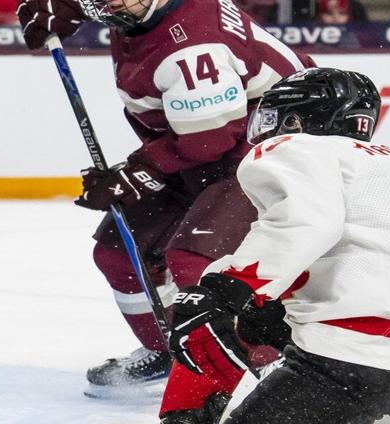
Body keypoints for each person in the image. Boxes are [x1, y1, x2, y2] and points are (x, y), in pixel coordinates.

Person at [89, 68, 390, 424]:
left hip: (360, 356)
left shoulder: (293, 148)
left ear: (294, 119)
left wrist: (224, 289)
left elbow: (307, 223)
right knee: (260, 314)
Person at [16, 0, 312, 398]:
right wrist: (70, 5)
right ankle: (172, 349)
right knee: (120, 254)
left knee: (196, 261)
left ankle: (258, 366)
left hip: (262, 154)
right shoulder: (146, 11)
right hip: (201, 148)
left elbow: (210, 138)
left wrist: (135, 174)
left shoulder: (194, 43)